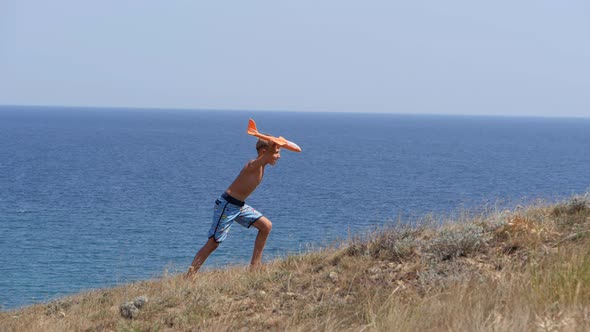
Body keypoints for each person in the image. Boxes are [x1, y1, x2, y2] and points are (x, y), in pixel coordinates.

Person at [187, 139, 281, 276]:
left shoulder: (262, 167)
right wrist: (271, 147)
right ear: (264, 152)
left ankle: (255, 267)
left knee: (266, 226)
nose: (279, 156)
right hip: (227, 206)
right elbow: (260, 160)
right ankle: (190, 276)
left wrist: (274, 145)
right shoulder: (252, 165)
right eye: (276, 152)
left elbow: (266, 157)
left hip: (239, 206)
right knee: (213, 243)